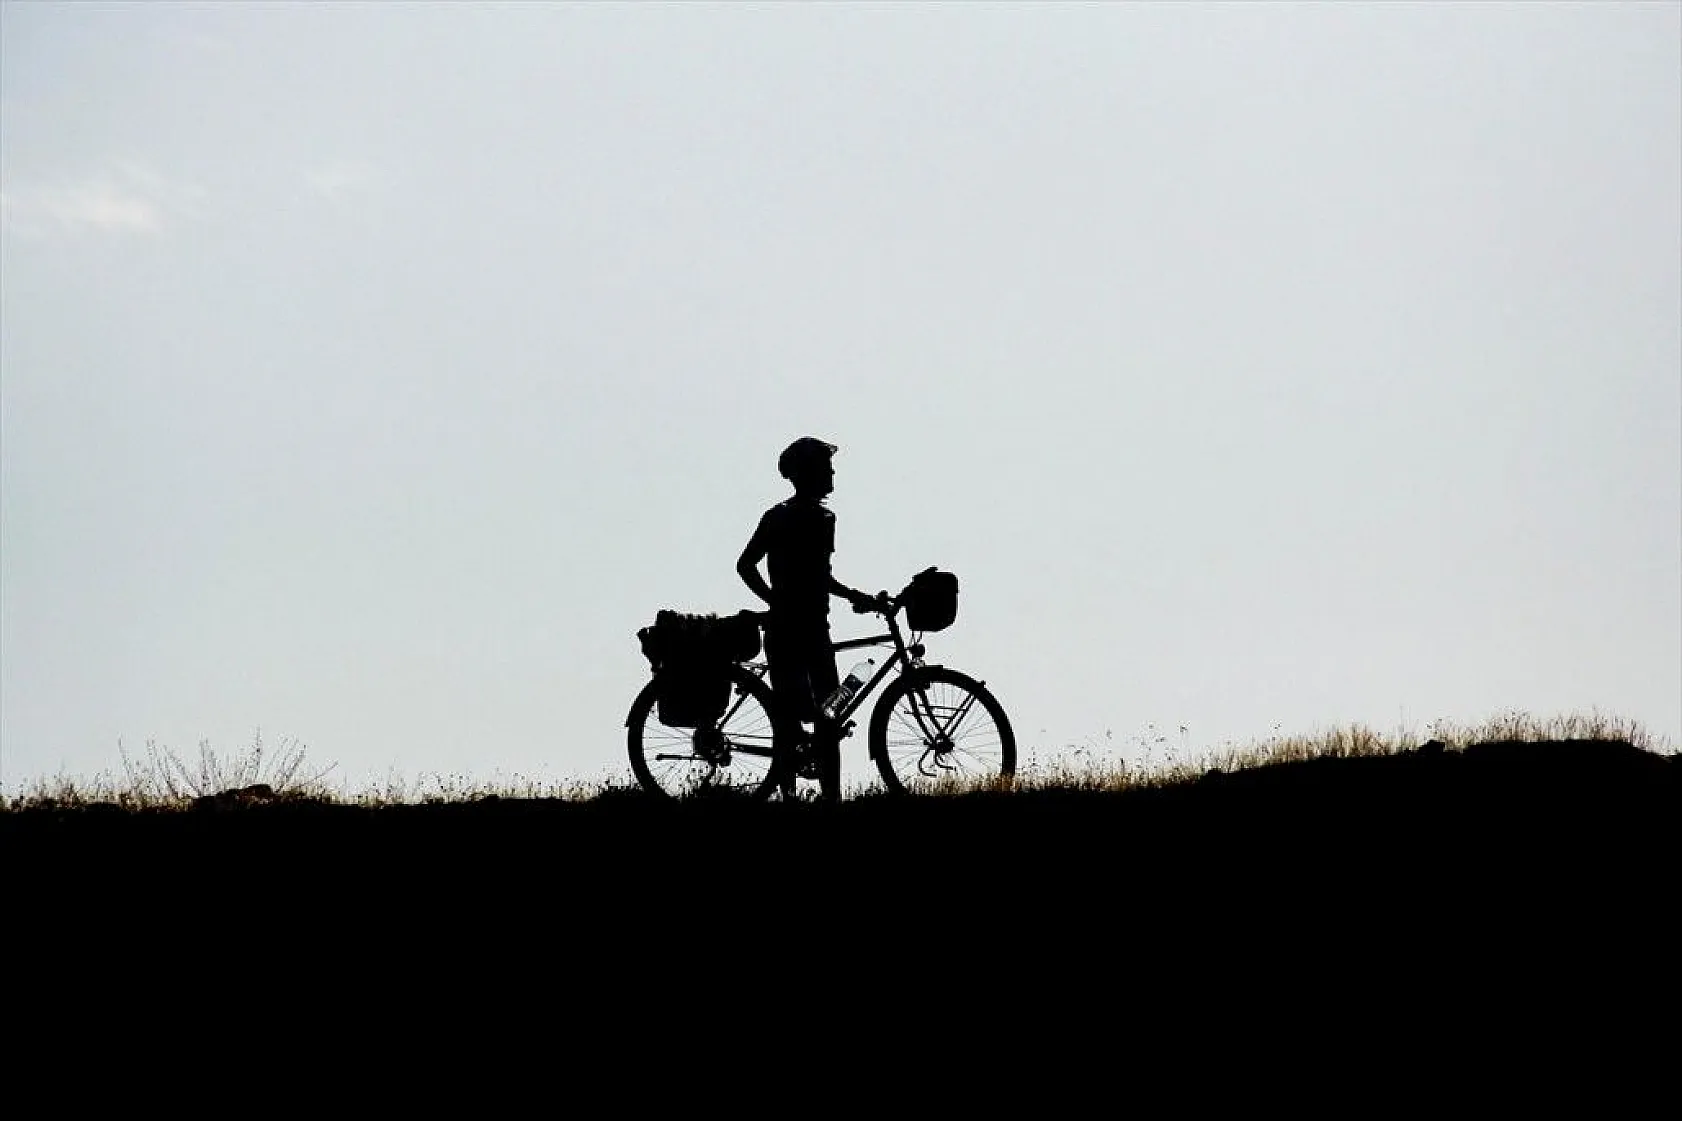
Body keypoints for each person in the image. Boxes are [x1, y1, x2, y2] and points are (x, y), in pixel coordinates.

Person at [737, 437, 877, 802]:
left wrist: (776, 601)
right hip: (808, 628)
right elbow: (817, 576)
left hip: (794, 626)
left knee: (795, 718)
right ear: (809, 474)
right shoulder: (816, 518)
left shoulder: (782, 516)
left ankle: (794, 797)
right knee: (825, 716)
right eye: (826, 469)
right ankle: (828, 798)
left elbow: (749, 566)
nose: (832, 475)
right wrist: (852, 597)